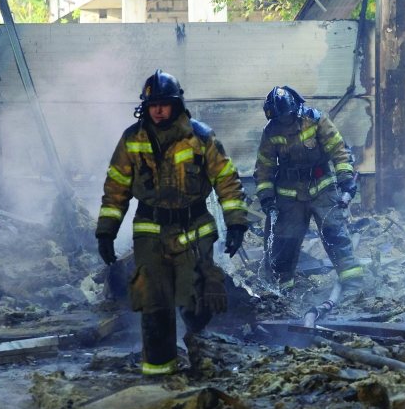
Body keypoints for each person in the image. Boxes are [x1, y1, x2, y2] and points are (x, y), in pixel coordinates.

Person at [95, 70, 248, 375]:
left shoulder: (201, 136)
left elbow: (227, 179)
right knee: (154, 303)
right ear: (145, 107)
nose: (158, 110)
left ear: (177, 104)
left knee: (196, 302)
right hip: (150, 233)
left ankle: (201, 345)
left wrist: (236, 223)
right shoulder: (131, 139)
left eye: (164, 104)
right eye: (153, 105)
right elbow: (116, 188)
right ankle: (160, 373)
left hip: (194, 231)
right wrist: (106, 232)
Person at [255, 86, 362, 306]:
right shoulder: (271, 131)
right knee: (284, 243)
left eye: (286, 115)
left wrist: (345, 181)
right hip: (288, 194)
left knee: (335, 234)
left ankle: (353, 286)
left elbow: (339, 151)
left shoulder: (315, 120)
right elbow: (264, 167)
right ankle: (282, 293)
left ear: (295, 109)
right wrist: (267, 198)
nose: (283, 119)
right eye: (278, 116)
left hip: (322, 188)